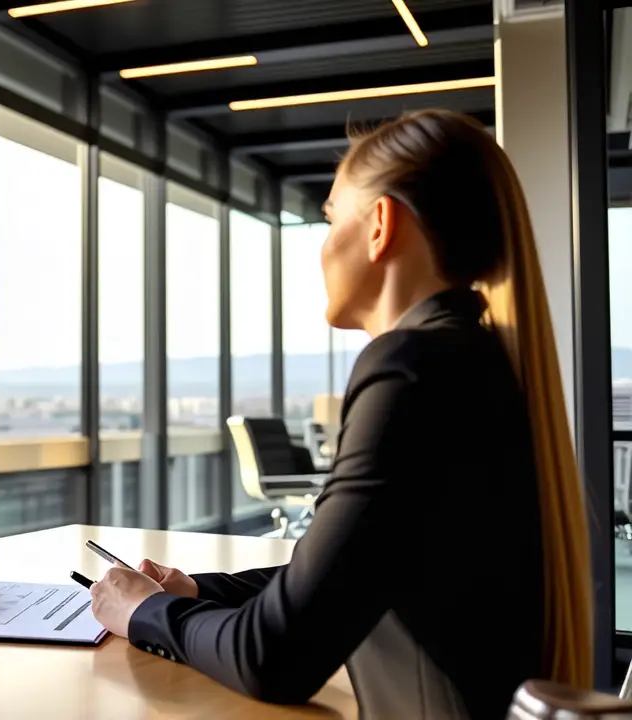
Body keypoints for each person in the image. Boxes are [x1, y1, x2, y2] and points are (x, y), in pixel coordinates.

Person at [89, 110, 593, 719]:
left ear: (380, 224)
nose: (323, 249)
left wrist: (142, 613)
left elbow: (275, 657)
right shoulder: (468, 356)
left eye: (330, 219)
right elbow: (345, 576)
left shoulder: (410, 368)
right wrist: (196, 590)